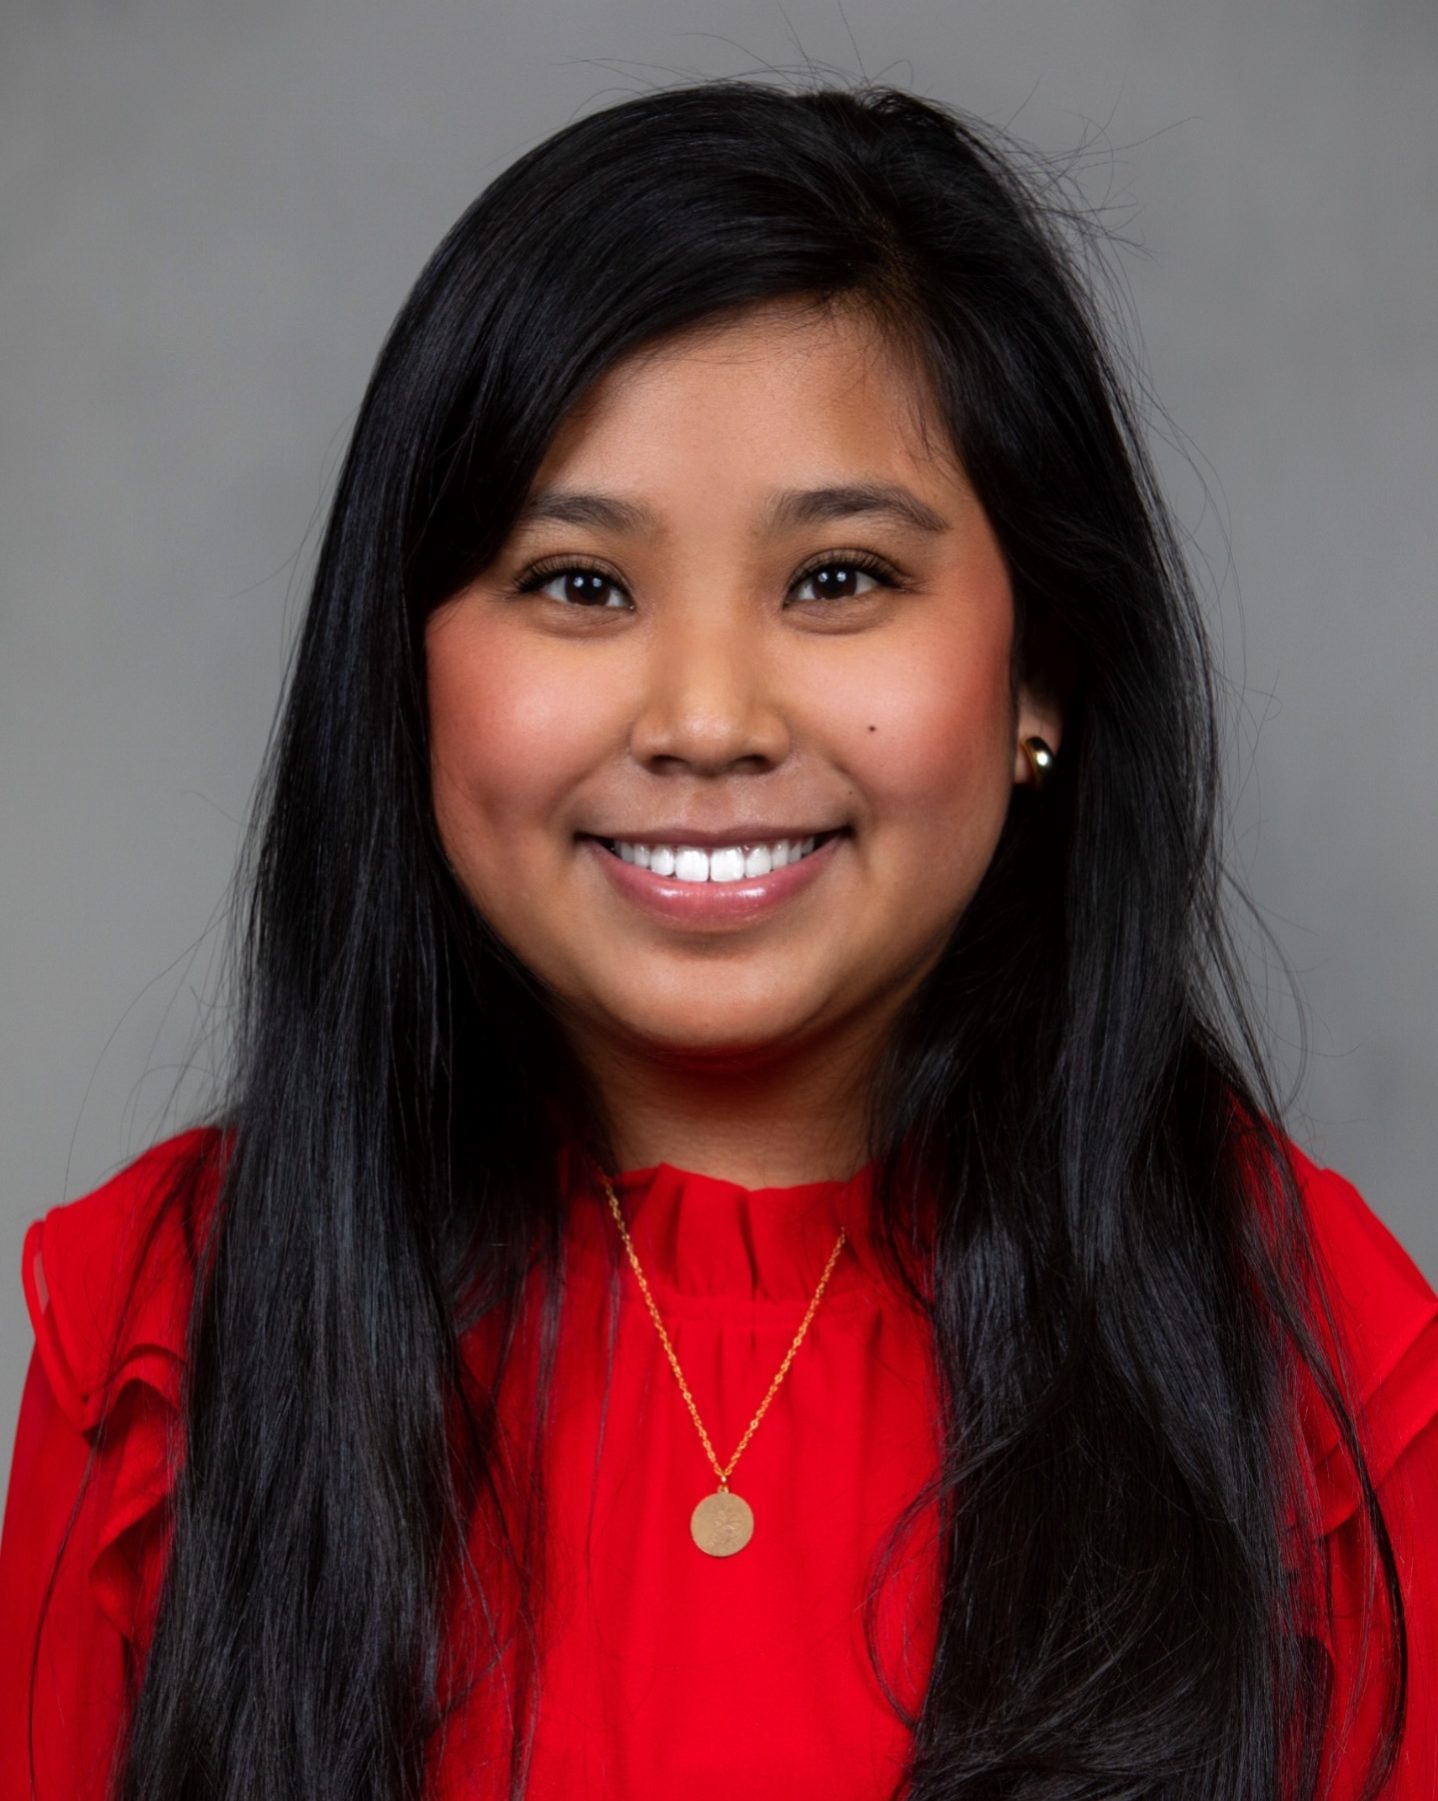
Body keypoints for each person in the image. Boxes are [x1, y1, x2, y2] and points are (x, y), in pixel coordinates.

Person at [2, 74, 1435, 1801]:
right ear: (411, 673)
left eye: (837, 577)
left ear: (1039, 664)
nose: (702, 717)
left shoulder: (1313, 1347)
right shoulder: (178, 1329)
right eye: (578, 582)